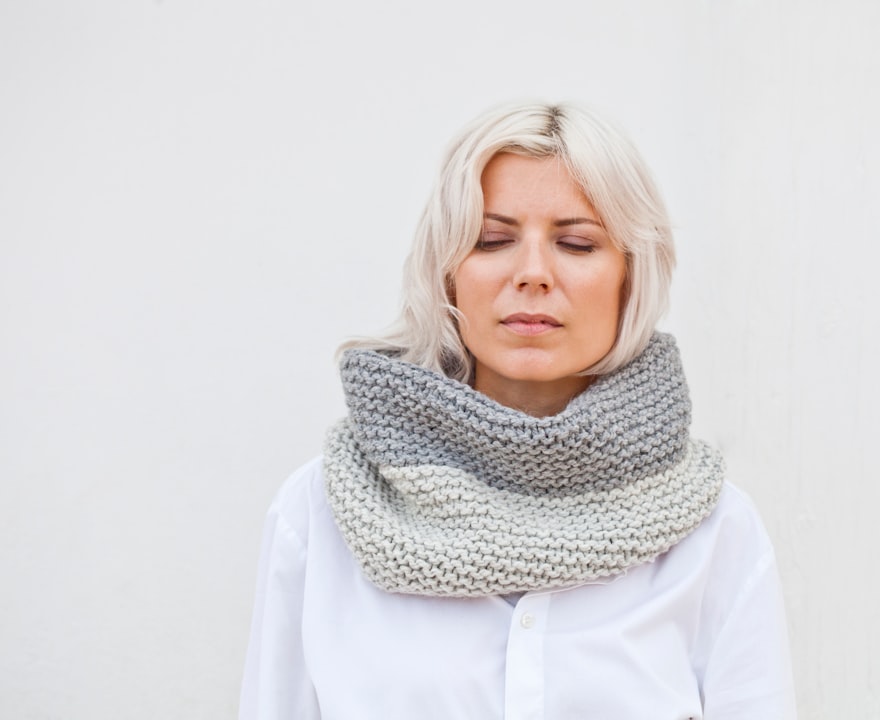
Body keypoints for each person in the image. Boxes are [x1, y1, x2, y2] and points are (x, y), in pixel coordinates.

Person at [239, 102, 797, 719]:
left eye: (576, 243)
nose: (533, 274)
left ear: (631, 278)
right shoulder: (320, 514)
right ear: (447, 272)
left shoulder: (716, 534)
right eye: (493, 240)